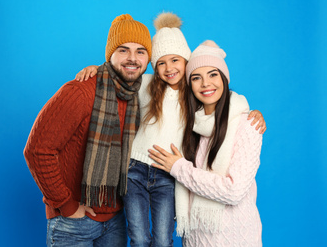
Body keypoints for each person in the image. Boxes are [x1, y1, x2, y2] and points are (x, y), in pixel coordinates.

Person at [76, 13, 266, 247]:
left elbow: (227, 103)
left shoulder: (194, 95)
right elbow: (120, 75)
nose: (168, 68)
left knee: (164, 239)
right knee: (138, 236)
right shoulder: (145, 85)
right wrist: (96, 69)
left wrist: (254, 112)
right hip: (135, 169)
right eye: (161, 62)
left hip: (168, 175)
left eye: (175, 60)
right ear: (154, 66)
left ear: (186, 62)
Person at [23, 14, 152, 247]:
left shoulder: (142, 94)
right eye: (123, 50)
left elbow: (184, 86)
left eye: (140, 51)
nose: (132, 58)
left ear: (148, 58)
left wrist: (238, 111)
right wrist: (66, 205)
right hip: (72, 223)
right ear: (110, 54)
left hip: (115, 218)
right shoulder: (81, 92)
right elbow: (37, 150)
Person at [148, 40, 263, 246]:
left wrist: (179, 168)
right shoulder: (189, 125)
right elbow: (141, 83)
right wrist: (99, 71)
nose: (205, 84)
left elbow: (234, 191)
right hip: (194, 238)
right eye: (196, 77)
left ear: (224, 78)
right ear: (189, 84)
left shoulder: (248, 125)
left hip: (235, 239)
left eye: (213, 74)